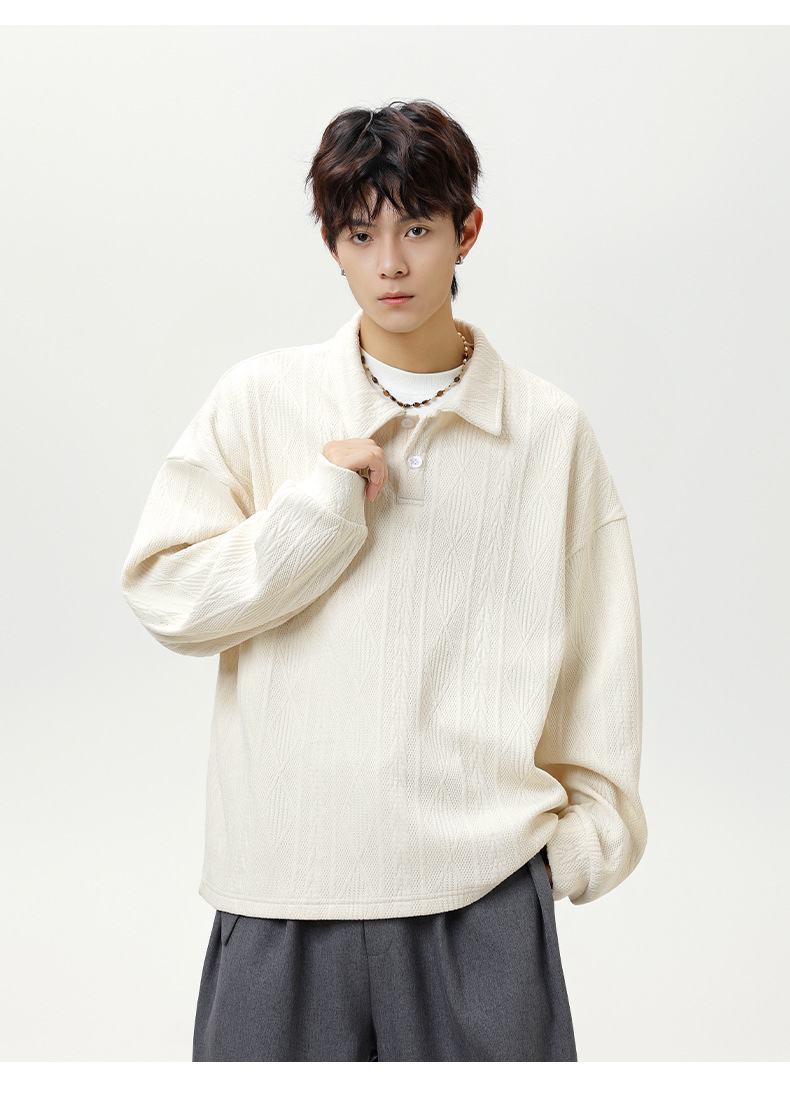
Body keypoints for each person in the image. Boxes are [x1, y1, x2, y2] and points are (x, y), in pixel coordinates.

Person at [120, 99, 647, 1062]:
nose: (391, 264)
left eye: (417, 230)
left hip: (480, 903)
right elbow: (166, 595)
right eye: (362, 235)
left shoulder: (547, 431)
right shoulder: (261, 399)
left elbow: (599, 661)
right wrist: (318, 514)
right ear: (332, 244)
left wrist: (568, 857)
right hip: (281, 894)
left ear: (466, 231)